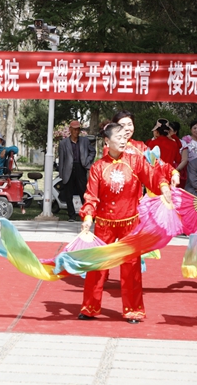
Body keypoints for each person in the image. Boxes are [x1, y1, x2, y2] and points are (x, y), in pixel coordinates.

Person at [78, 123, 171, 323]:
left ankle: (133, 310)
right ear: (107, 141)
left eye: (124, 137)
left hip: (130, 223)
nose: (123, 140)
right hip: (104, 224)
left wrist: (164, 187)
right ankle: (90, 307)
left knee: (131, 266)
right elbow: (91, 197)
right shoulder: (98, 167)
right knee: (98, 266)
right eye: (118, 137)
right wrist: (88, 218)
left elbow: (153, 176)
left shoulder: (135, 161)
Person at [111, 111, 179, 187]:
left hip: (138, 192)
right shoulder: (110, 147)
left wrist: (174, 172)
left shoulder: (140, 146)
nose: (127, 128)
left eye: (129, 124)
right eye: (122, 125)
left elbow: (156, 162)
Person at [58, 120, 96, 222]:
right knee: (68, 194)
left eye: (78, 129)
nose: (76, 131)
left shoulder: (85, 141)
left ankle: (87, 214)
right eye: (74, 129)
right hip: (68, 170)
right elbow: (61, 159)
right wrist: (61, 173)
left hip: (81, 168)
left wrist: (87, 161)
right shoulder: (63, 143)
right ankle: (71, 216)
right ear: (70, 130)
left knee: (83, 192)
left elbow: (92, 151)